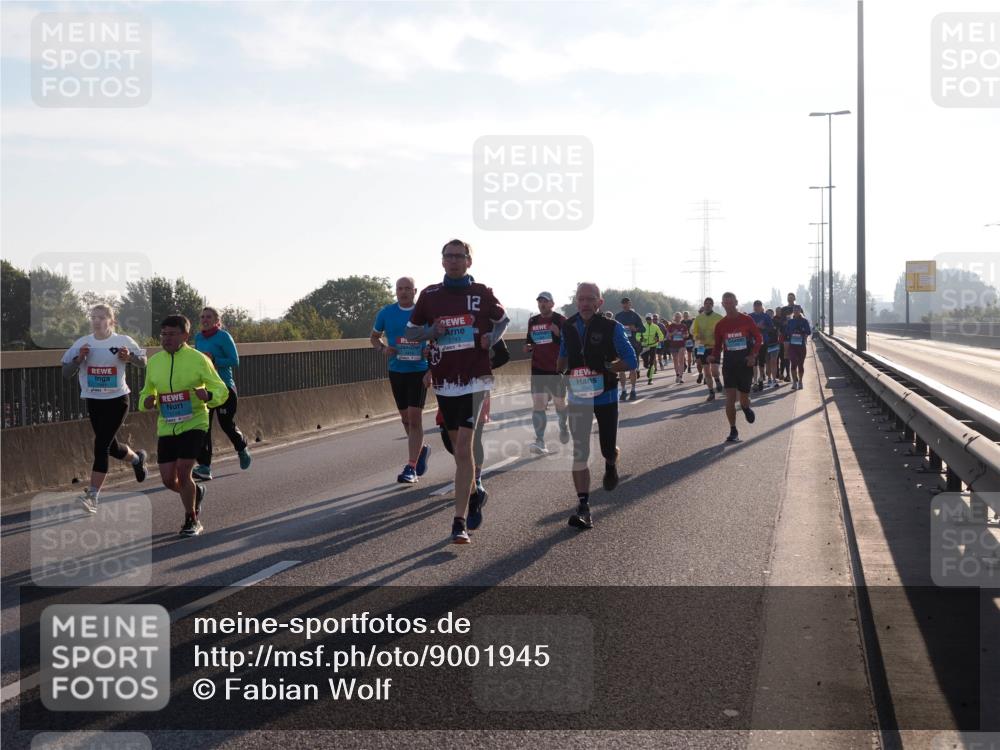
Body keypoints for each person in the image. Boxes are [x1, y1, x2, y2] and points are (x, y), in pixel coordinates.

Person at [406, 239, 508, 544]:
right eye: (448, 256)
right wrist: (431, 332)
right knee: (457, 450)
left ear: (468, 261)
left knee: (463, 448)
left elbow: (502, 320)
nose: (453, 261)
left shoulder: (481, 292)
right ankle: (475, 493)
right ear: (442, 261)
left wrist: (491, 337)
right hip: (445, 381)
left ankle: (458, 522)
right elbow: (411, 332)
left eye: (459, 256)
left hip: (475, 378)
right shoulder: (429, 295)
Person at [557, 282, 637, 530]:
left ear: (599, 302)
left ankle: (611, 463)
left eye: (590, 299)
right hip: (578, 395)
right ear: (576, 301)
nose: (585, 303)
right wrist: (559, 369)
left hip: (606, 394)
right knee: (579, 450)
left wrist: (609, 367)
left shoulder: (612, 327)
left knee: (607, 449)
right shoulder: (568, 326)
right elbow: (562, 358)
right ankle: (583, 507)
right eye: (581, 299)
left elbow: (631, 360)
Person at [140, 315, 228, 536]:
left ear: (185, 336)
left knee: (183, 469)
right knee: (168, 479)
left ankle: (191, 519)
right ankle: (196, 492)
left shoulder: (199, 359)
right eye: (163, 334)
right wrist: (147, 401)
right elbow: (146, 392)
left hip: (194, 422)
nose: (166, 338)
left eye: (172, 334)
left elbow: (220, 389)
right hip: (167, 425)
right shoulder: (155, 362)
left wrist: (208, 395)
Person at [61, 304, 148, 513]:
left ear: (112, 321)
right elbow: (66, 372)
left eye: (101, 317)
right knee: (111, 447)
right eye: (93, 317)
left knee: (101, 446)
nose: (97, 321)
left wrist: (130, 357)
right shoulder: (83, 343)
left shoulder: (123, 341)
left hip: (118, 400)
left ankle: (92, 496)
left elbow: (143, 362)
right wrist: (78, 359)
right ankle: (137, 459)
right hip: (94, 401)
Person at [371, 278, 432, 483]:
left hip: (419, 370)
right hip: (396, 371)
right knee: (405, 419)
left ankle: (411, 467)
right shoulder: (386, 313)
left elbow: (437, 338)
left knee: (415, 419)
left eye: (407, 289)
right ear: (396, 291)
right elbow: (374, 337)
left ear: (415, 291)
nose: (403, 292)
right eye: (400, 289)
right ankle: (421, 450)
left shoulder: (423, 313)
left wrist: (429, 353)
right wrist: (383, 349)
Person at [192, 307, 252, 481]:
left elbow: (234, 361)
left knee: (226, 425)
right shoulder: (198, 338)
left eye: (208, 317)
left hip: (224, 388)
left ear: (216, 320)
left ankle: (241, 447)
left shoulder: (224, 337)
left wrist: (215, 360)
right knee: (204, 427)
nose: (205, 320)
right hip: (206, 388)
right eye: (202, 317)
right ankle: (204, 467)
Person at [708, 293, 763, 443]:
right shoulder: (720, 325)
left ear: (736, 302)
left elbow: (758, 338)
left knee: (744, 398)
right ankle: (733, 430)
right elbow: (718, 345)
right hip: (729, 364)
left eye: (731, 302)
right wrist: (713, 356)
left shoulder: (747, 320)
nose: (728, 305)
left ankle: (745, 407)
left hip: (745, 363)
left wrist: (753, 355)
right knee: (730, 398)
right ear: (722, 305)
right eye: (725, 303)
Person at [523, 291, 568, 455]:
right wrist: (528, 347)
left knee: (559, 404)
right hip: (538, 369)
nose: (542, 304)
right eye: (540, 301)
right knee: (538, 405)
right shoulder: (533, 321)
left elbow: (570, 343)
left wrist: (558, 334)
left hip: (556, 369)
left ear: (552, 304)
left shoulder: (561, 320)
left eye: (545, 301)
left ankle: (563, 425)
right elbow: (530, 341)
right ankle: (540, 440)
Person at [691, 298, 724, 401]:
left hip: (715, 347)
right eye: (706, 303)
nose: (708, 305)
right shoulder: (698, 318)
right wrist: (697, 336)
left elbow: (724, 331)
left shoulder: (719, 317)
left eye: (710, 303)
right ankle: (711, 392)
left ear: (712, 305)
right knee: (706, 371)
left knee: (714, 370)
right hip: (702, 347)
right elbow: (694, 332)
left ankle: (717, 379)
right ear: (704, 305)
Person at [614, 297, 643, 401]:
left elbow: (642, 329)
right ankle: (623, 390)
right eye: (623, 303)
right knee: (621, 370)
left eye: (627, 303)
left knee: (632, 369)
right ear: (621, 305)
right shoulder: (618, 316)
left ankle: (633, 390)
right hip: (621, 346)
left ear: (630, 304)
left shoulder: (635, 315)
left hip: (632, 344)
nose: (625, 305)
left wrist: (635, 329)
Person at [748, 300, 775, 392]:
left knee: (761, 361)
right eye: (755, 306)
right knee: (754, 361)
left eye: (758, 306)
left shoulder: (766, 316)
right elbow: (746, 328)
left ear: (761, 307)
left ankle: (761, 378)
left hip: (763, 341)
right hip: (752, 342)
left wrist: (763, 327)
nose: (757, 307)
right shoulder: (750, 316)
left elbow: (771, 327)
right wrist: (754, 327)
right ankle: (755, 381)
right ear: (753, 307)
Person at [784, 308, 812, 389]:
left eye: (798, 310)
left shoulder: (804, 321)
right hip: (792, 346)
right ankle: (794, 382)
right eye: (795, 310)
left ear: (800, 311)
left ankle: (800, 381)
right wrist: (792, 333)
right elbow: (786, 332)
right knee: (793, 363)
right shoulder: (790, 321)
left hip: (801, 345)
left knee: (800, 364)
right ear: (793, 311)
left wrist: (802, 331)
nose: (796, 311)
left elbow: (809, 331)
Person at [637, 313, 664, 386]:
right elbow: (637, 336)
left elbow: (661, 336)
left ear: (652, 319)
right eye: (647, 319)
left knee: (652, 361)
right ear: (646, 319)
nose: (649, 320)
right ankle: (648, 367)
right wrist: (641, 339)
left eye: (650, 319)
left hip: (653, 346)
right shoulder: (642, 326)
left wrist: (657, 338)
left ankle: (650, 379)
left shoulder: (656, 327)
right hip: (644, 346)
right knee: (646, 363)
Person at [665, 312, 689, 383]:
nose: (677, 318)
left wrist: (684, 335)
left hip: (681, 345)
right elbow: (667, 336)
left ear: (681, 318)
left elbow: (687, 335)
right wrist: (673, 333)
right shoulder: (671, 326)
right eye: (676, 317)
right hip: (673, 345)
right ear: (674, 318)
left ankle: (681, 377)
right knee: (675, 361)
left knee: (681, 360)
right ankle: (677, 375)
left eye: (679, 317)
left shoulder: (683, 326)